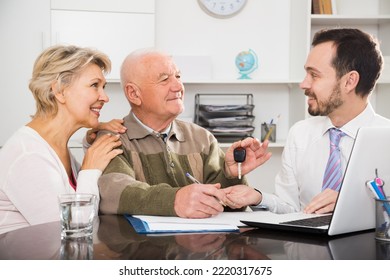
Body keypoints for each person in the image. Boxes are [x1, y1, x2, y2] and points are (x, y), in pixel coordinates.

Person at [98, 48, 272, 218]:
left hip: (199, 246)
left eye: (178, 76)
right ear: (134, 93)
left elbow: (229, 210)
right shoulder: (112, 138)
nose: (178, 86)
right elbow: (113, 194)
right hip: (138, 246)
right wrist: (175, 200)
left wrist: (231, 175)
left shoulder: (202, 138)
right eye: (165, 79)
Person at [242, 28, 390, 214]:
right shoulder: (300, 134)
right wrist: (258, 198)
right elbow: (290, 209)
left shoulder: (387, 139)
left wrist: (352, 205)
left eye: (314, 75)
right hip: (304, 243)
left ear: (350, 81)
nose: (303, 84)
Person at [0, 45, 126, 234]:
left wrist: (90, 145)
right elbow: (73, 233)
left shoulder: (56, 147)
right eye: (94, 85)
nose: (105, 97)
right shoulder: (28, 155)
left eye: (103, 87)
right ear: (59, 91)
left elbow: (77, 194)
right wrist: (90, 169)